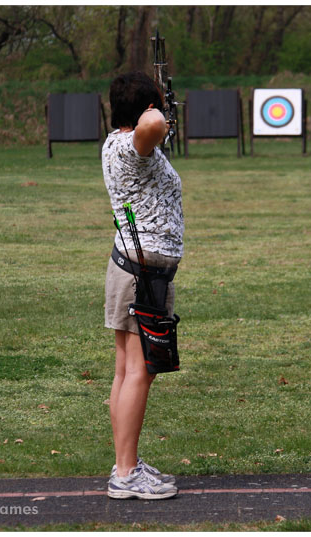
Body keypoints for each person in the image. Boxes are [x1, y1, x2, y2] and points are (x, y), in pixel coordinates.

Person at [101, 72, 183, 500]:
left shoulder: (120, 143)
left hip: (134, 268)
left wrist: (154, 108)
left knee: (125, 370)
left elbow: (149, 129)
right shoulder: (133, 143)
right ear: (145, 108)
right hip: (142, 271)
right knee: (139, 371)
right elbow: (151, 127)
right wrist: (157, 112)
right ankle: (126, 474)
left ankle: (124, 463)